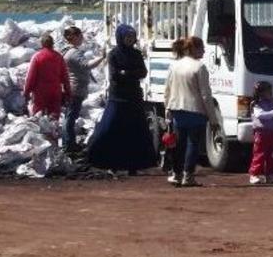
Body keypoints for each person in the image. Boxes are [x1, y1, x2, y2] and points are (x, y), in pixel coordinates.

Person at [87, 24, 157, 175]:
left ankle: (134, 165)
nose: (130, 40)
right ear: (120, 38)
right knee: (111, 129)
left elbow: (143, 72)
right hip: (118, 98)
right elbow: (115, 75)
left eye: (132, 37)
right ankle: (110, 163)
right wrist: (130, 73)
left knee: (134, 132)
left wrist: (126, 73)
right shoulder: (114, 54)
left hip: (134, 97)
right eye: (127, 37)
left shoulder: (136, 54)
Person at [163, 36, 219, 187]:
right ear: (193, 49)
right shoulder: (199, 67)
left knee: (179, 144)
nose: (204, 50)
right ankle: (188, 176)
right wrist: (213, 119)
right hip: (196, 110)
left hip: (177, 109)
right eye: (201, 47)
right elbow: (206, 95)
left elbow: (167, 90)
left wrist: (167, 108)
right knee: (193, 143)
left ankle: (176, 173)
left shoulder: (174, 66)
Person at [61, 26, 106, 154]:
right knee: (70, 118)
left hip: (71, 88)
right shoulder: (75, 53)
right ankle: (69, 145)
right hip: (76, 89)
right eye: (80, 36)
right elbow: (87, 66)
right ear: (73, 37)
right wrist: (102, 57)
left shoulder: (67, 51)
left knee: (69, 117)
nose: (82, 38)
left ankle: (68, 143)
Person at [24, 32, 71, 119]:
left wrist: (26, 92)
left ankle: (40, 131)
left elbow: (31, 77)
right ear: (52, 44)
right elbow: (65, 76)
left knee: (38, 116)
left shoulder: (37, 57)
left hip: (40, 91)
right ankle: (53, 131)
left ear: (42, 44)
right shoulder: (59, 57)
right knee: (54, 116)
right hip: (55, 90)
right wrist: (68, 92)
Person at [248, 81, 273, 185]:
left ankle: (270, 174)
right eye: (268, 90)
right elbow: (260, 115)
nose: (270, 93)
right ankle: (254, 174)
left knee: (272, 155)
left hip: (272, 133)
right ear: (261, 92)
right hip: (261, 133)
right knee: (259, 154)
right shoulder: (256, 104)